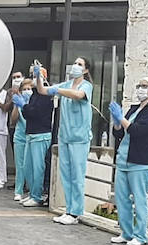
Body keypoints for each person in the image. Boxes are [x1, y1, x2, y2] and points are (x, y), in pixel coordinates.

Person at [109, 76, 148, 245]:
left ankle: (140, 235)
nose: (141, 89)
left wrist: (122, 120)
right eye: (139, 85)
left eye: (145, 86)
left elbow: (137, 131)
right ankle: (126, 232)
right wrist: (117, 122)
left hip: (140, 161)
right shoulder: (133, 109)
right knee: (121, 198)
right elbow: (119, 133)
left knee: (139, 199)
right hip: (124, 159)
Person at [39, 56, 93, 225]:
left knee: (77, 175)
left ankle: (76, 212)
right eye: (75, 63)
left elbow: (78, 95)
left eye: (80, 64)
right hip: (65, 136)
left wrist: (59, 91)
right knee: (66, 175)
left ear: (85, 70)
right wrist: (38, 77)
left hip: (79, 138)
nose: (76, 66)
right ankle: (69, 210)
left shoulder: (87, 86)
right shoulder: (66, 85)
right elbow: (43, 91)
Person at [19, 66, 53, 208]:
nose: (32, 78)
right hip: (31, 133)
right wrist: (24, 107)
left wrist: (24, 107)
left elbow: (36, 113)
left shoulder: (45, 94)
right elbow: (28, 115)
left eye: (35, 76)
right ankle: (33, 193)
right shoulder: (34, 94)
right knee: (28, 167)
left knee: (38, 167)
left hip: (41, 135)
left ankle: (37, 195)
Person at [10, 74, 30, 203]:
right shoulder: (19, 101)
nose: (28, 92)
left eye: (30, 89)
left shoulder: (34, 103)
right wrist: (18, 105)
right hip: (20, 136)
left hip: (32, 136)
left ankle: (31, 190)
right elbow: (13, 120)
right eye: (25, 89)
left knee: (30, 165)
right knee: (20, 165)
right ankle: (18, 191)